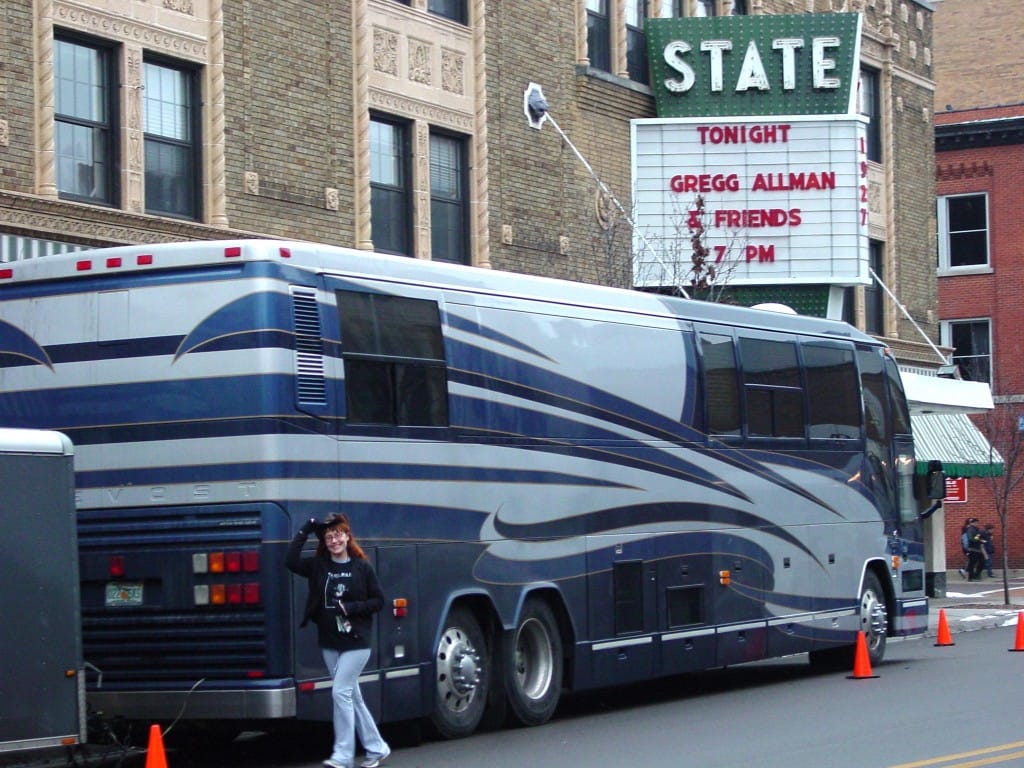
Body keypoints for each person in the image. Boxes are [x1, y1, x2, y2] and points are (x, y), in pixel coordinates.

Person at [286, 513, 391, 768]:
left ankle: (342, 755)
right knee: (352, 696)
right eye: (329, 537)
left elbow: (379, 601)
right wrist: (307, 529)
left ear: (347, 536)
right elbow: (290, 561)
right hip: (330, 640)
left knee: (340, 692)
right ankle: (377, 748)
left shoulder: (362, 567)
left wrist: (353, 607)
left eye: (338, 535)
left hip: (357, 640)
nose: (334, 541)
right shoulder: (319, 566)